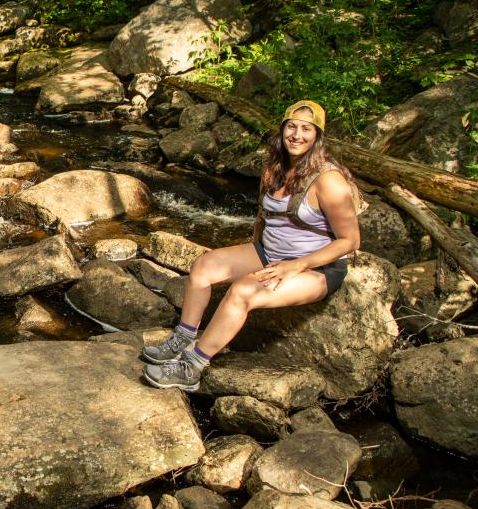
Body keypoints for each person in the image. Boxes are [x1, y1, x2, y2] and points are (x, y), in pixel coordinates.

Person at [142, 99, 361, 391]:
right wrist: (252, 248)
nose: (297, 135)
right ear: (283, 130)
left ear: (317, 136)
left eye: (306, 129)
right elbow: (264, 214)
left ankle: (191, 367)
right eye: (291, 127)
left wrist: (296, 266)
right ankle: (184, 337)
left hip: (317, 269)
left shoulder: (329, 180)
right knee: (203, 266)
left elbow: (351, 240)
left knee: (242, 290)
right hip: (269, 252)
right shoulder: (276, 168)